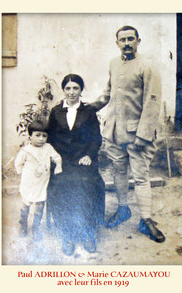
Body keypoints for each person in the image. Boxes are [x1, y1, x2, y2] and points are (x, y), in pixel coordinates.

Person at [91, 25, 165, 243]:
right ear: (117, 43)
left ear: (138, 41)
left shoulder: (147, 66)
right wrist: (89, 108)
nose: (126, 43)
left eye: (130, 39)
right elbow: (108, 93)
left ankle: (146, 220)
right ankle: (123, 209)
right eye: (122, 40)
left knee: (141, 177)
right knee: (118, 172)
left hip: (136, 135)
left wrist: (143, 136)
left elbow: (152, 104)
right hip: (114, 132)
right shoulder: (113, 64)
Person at [47, 74, 105, 256]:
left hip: (83, 160)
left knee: (88, 186)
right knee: (62, 188)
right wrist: (56, 159)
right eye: (68, 88)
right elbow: (50, 139)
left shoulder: (88, 112)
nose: (71, 92)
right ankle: (68, 234)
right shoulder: (56, 112)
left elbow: (96, 138)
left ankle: (89, 231)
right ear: (63, 90)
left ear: (81, 90)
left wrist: (89, 155)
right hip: (62, 161)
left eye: (75, 88)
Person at [14, 119, 62, 241]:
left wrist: (58, 165)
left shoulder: (48, 148)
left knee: (40, 205)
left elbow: (57, 157)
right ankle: (23, 225)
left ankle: (36, 228)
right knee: (26, 205)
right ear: (30, 136)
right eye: (37, 135)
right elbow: (18, 163)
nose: (41, 139)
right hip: (29, 183)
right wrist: (22, 174)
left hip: (42, 183)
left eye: (44, 136)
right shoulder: (26, 150)